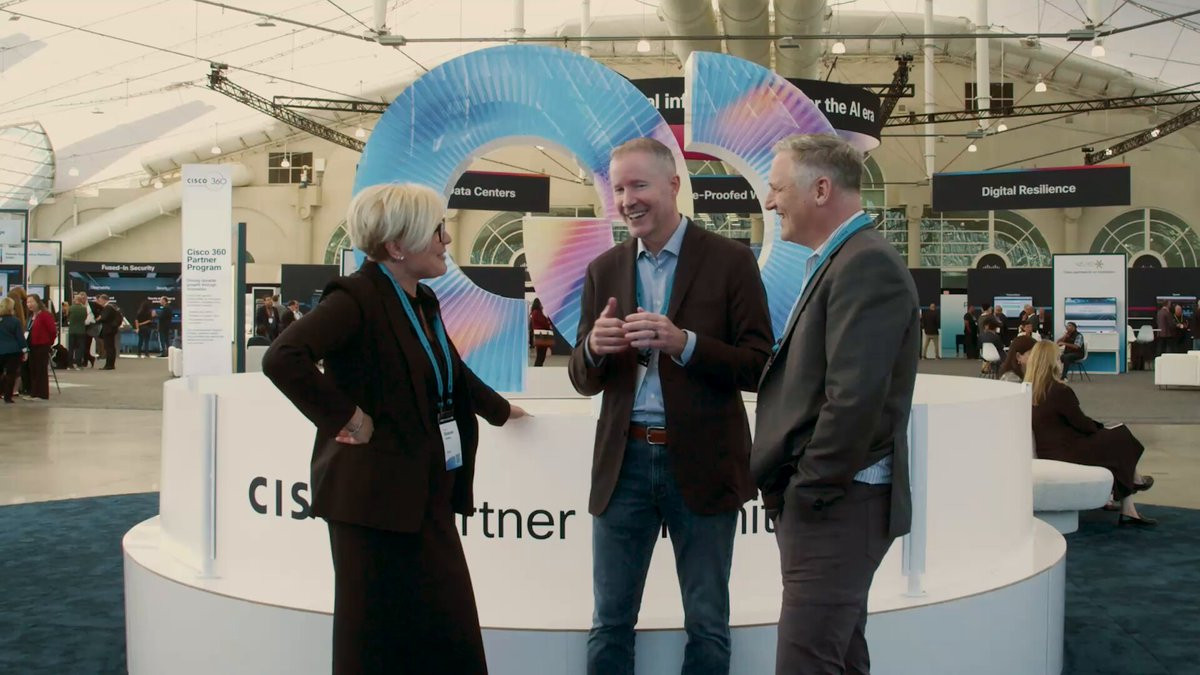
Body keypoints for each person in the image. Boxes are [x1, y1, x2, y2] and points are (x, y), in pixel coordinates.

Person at [262, 183, 528, 675]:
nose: (446, 239)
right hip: (371, 506)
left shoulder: (422, 299)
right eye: (437, 230)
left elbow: (450, 369)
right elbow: (283, 357)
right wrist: (348, 417)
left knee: (449, 636)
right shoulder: (355, 298)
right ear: (397, 246)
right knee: (373, 646)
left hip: (425, 494)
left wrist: (501, 410)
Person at [569, 137, 773, 674]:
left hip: (704, 461)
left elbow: (759, 366)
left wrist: (685, 344)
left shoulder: (731, 261)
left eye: (639, 185)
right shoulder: (604, 269)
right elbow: (582, 378)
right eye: (619, 189)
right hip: (624, 464)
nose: (627, 200)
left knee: (706, 622)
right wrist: (592, 349)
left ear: (674, 185)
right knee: (610, 621)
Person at [751, 133, 919, 675]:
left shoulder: (864, 265)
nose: (770, 202)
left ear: (821, 189)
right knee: (840, 656)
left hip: (838, 505)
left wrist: (809, 491)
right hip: (835, 503)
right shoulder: (844, 259)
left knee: (806, 661)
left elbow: (853, 402)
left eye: (777, 188)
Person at [1026, 340, 1156, 526]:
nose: (1061, 362)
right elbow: (1082, 423)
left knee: (1115, 440)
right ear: (1051, 363)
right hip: (1068, 451)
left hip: (1050, 450)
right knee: (1120, 435)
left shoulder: (1030, 392)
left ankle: (1130, 501)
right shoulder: (1060, 391)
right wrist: (1100, 428)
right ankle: (1134, 483)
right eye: (1058, 358)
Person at [24, 294, 56, 400]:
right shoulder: (31, 316)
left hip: (42, 346)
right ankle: (34, 392)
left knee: (40, 370)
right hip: (31, 346)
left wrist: (49, 342)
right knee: (33, 369)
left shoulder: (45, 315)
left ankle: (42, 394)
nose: (29, 304)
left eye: (31, 302)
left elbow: (52, 330)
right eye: (28, 302)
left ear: (38, 302)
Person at [0, 297, 28, 403]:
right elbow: (20, 337)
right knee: (11, 374)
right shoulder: (15, 321)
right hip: (13, 351)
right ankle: (8, 397)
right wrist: (25, 351)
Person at [94, 294, 123, 370]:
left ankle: (109, 365)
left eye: (100, 300)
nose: (99, 302)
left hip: (108, 330)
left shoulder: (108, 307)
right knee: (111, 347)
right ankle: (111, 364)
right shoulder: (113, 306)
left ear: (104, 300)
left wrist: (98, 319)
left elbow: (104, 318)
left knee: (108, 347)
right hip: (112, 329)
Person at [528, 297, 553, 367]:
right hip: (542, 335)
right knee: (541, 355)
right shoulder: (537, 312)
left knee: (541, 355)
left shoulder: (536, 312)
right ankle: (537, 368)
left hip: (541, 335)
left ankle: (538, 368)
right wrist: (548, 322)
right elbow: (544, 322)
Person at [67, 293, 88, 370]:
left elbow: (68, 317)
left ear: (75, 300)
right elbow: (85, 317)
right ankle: (78, 364)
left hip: (72, 330)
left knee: (71, 347)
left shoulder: (71, 308)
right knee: (80, 348)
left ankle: (70, 364)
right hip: (81, 330)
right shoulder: (84, 308)